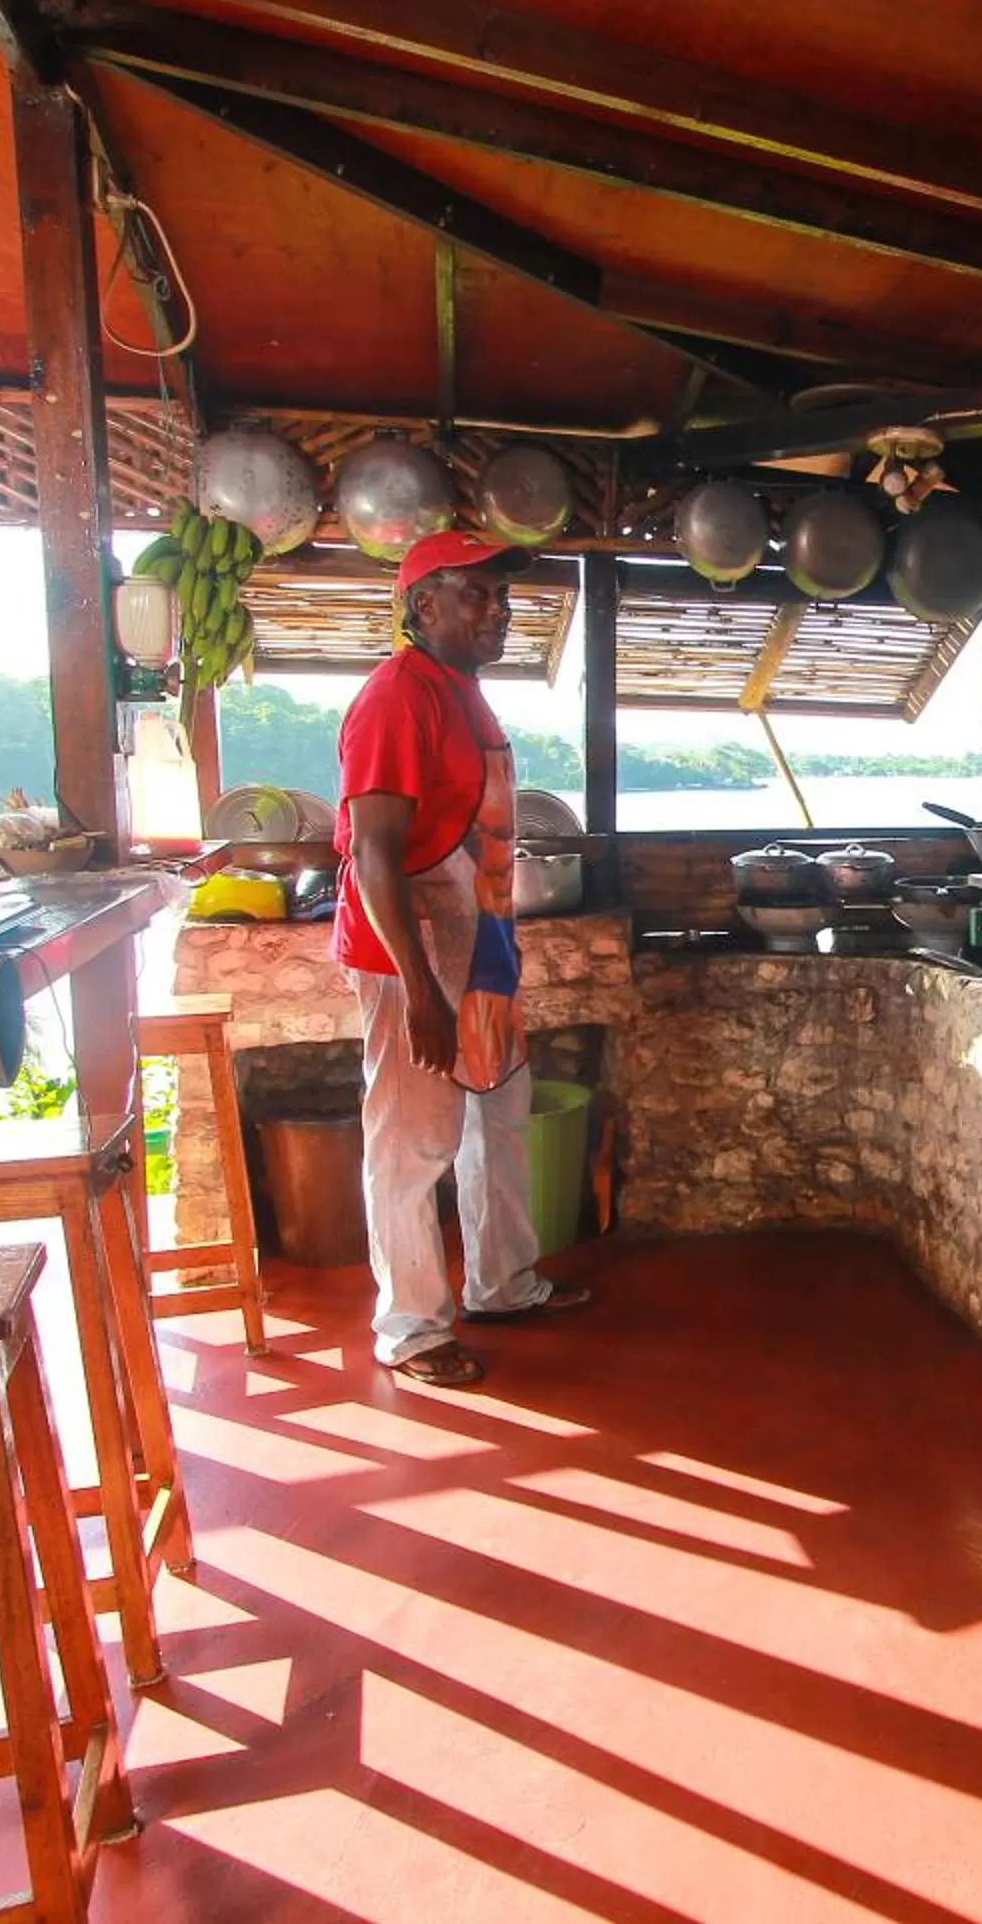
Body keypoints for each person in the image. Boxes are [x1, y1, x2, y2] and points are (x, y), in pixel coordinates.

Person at [333, 528, 593, 1386]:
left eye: (502, 598)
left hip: (478, 943)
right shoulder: (397, 697)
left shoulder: (463, 695)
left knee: (498, 1116)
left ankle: (502, 1282)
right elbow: (374, 852)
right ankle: (409, 1326)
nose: (498, 612)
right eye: (475, 595)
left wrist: (485, 960)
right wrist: (420, 994)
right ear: (423, 606)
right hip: (412, 953)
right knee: (413, 1140)